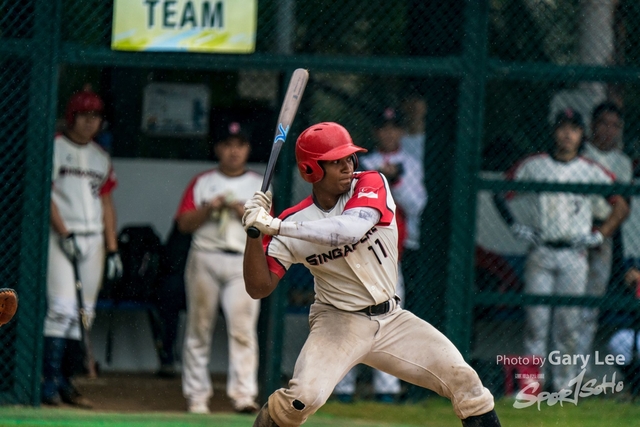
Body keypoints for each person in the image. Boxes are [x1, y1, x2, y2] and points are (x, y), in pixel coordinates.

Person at [242, 122, 501, 427]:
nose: (347, 166)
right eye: (335, 161)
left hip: (393, 320)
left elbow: (347, 231)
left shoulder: (371, 183)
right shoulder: (294, 221)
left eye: (349, 158)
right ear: (311, 170)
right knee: (302, 399)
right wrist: (254, 234)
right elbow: (259, 288)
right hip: (337, 323)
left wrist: (274, 225)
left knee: (466, 382)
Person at [493, 108, 629, 391]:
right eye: (562, 128)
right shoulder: (535, 164)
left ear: (582, 135)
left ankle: (564, 386)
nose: (567, 135)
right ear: (554, 132)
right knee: (536, 320)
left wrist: (600, 235)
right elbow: (500, 191)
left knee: (568, 323)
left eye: (574, 129)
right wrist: (515, 225)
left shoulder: (590, 170)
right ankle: (532, 385)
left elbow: (621, 204)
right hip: (541, 249)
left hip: (575, 252)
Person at [332, 108, 427, 403]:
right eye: (383, 128)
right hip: (357, 253)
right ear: (376, 132)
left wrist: (393, 181)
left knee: (390, 320)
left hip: (393, 253)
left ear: (401, 132)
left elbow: (416, 204)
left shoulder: (409, 164)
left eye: (394, 128)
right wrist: (380, 180)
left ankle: (386, 388)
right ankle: (342, 387)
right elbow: (348, 204)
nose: (389, 133)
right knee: (349, 316)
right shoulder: (363, 164)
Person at [43, 88, 122, 407]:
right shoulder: (54, 148)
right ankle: (48, 382)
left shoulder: (100, 157)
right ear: (71, 117)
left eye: (96, 116)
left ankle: (67, 381)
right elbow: (45, 195)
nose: (91, 122)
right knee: (61, 308)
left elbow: (106, 203)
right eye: (85, 115)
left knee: (83, 313)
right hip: (62, 236)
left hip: (93, 240)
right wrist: (64, 232)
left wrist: (112, 248)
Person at [176, 122, 262, 414]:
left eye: (239, 144)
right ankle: (197, 397)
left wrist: (242, 211)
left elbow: (269, 230)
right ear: (218, 149)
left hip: (242, 260)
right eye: (227, 144)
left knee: (242, 329)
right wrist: (210, 208)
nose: (233, 151)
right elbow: (183, 224)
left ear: (247, 148)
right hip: (205, 255)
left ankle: (243, 396)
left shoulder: (259, 184)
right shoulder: (203, 181)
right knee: (199, 329)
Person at [578, 101, 632, 363]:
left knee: (591, 305)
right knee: (564, 304)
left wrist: (603, 232)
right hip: (574, 230)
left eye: (615, 126)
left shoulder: (623, 163)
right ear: (592, 126)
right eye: (604, 124)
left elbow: (623, 204)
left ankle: (579, 367)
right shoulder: (580, 153)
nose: (609, 131)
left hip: (605, 232)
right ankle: (552, 368)